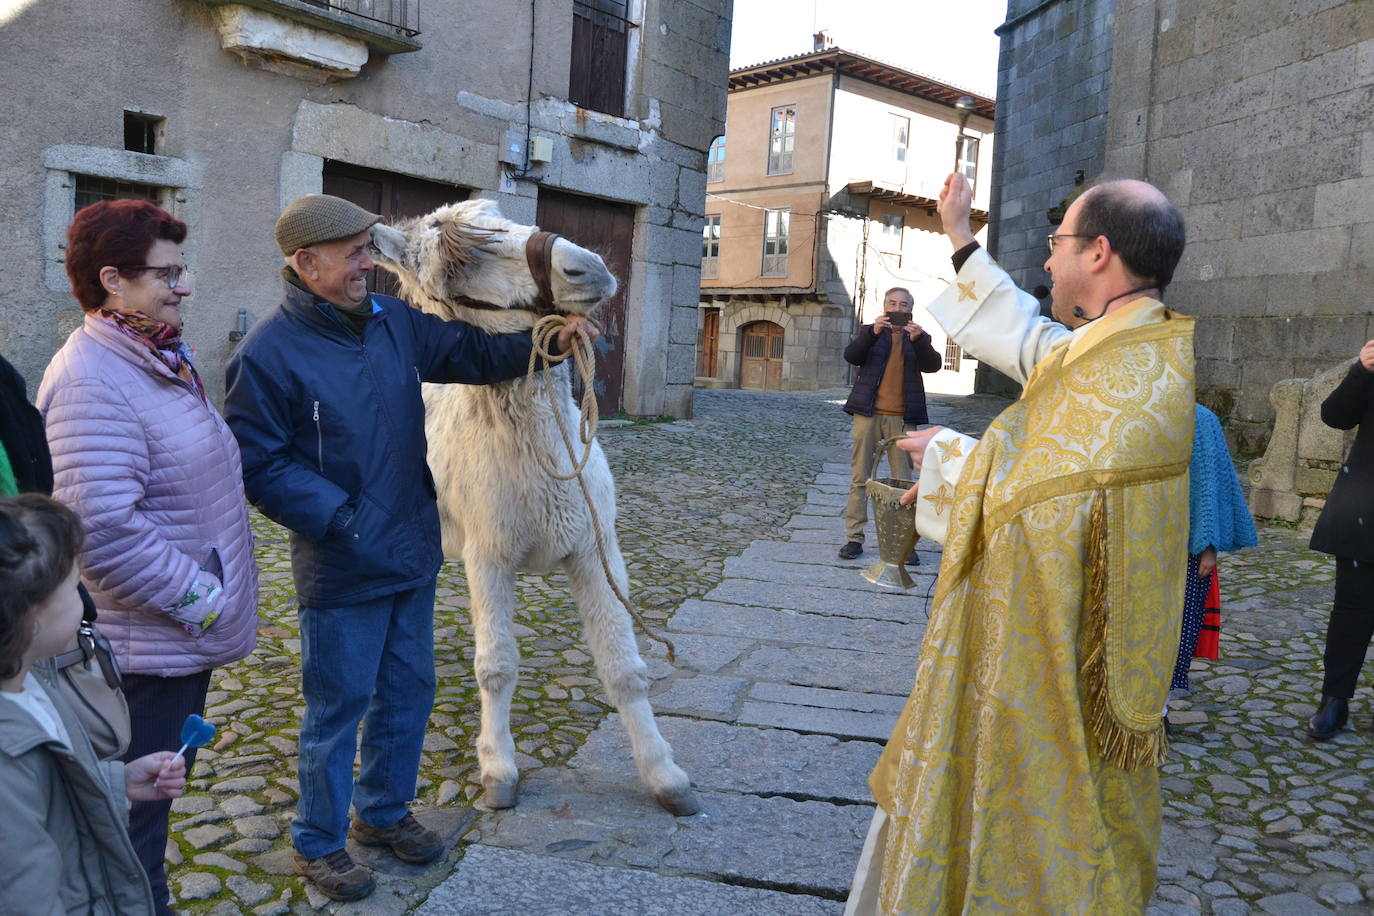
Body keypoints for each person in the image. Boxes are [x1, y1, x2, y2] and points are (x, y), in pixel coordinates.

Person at [223, 194, 598, 902]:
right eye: (355, 254)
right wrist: (344, 520)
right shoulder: (266, 354)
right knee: (338, 708)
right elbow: (261, 467)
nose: (371, 264)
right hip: (343, 562)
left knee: (409, 692)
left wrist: (548, 339)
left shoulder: (395, 323)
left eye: (368, 249)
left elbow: (473, 353)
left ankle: (384, 813)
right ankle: (318, 842)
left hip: (411, 549)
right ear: (307, 265)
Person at [845, 172, 1194, 914]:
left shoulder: (1141, 377)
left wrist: (950, 458)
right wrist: (958, 234)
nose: (1046, 260)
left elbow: (1050, 505)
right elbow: (1029, 337)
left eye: (1057, 242)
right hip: (1045, 637)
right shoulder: (1114, 346)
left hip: (1063, 660)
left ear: (1099, 252)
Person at [35, 199, 259, 915]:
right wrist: (202, 600)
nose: (183, 285)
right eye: (166, 272)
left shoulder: (154, 356)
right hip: (143, 659)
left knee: (146, 825)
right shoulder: (92, 380)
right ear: (112, 280)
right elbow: (99, 529)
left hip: (172, 648)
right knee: (130, 836)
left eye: (181, 268)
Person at [0, 493, 188, 915]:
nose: (85, 602)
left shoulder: (31, 685)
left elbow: (47, 800)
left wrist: (116, 783)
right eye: (72, 587)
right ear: (29, 619)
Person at [839, 287, 942, 561]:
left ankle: (903, 543)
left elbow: (933, 365)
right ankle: (854, 539)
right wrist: (872, 333)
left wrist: (919, 341)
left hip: (903, 418)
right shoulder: (870, 332)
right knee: (860, 477)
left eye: (904, 304)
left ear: (910, 310)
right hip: (868, 414)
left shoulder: (918, 337)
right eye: (893, 303)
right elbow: (852, 357)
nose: (898, 308)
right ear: (885, 306)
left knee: (903, 483)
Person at [1306, 339, 1374, 740]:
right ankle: (1335, 701)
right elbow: (1335, 416)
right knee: (1352, 613)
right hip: (1366, 511)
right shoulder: (1369, 368)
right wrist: (1361, 370)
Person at [1168, 404, 1258, 696]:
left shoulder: (1203, 420)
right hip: (1137, 540)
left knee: (1180, 625)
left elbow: (1211, 485)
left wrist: (1209, 545)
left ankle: (1162, 705)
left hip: (1188, 544)